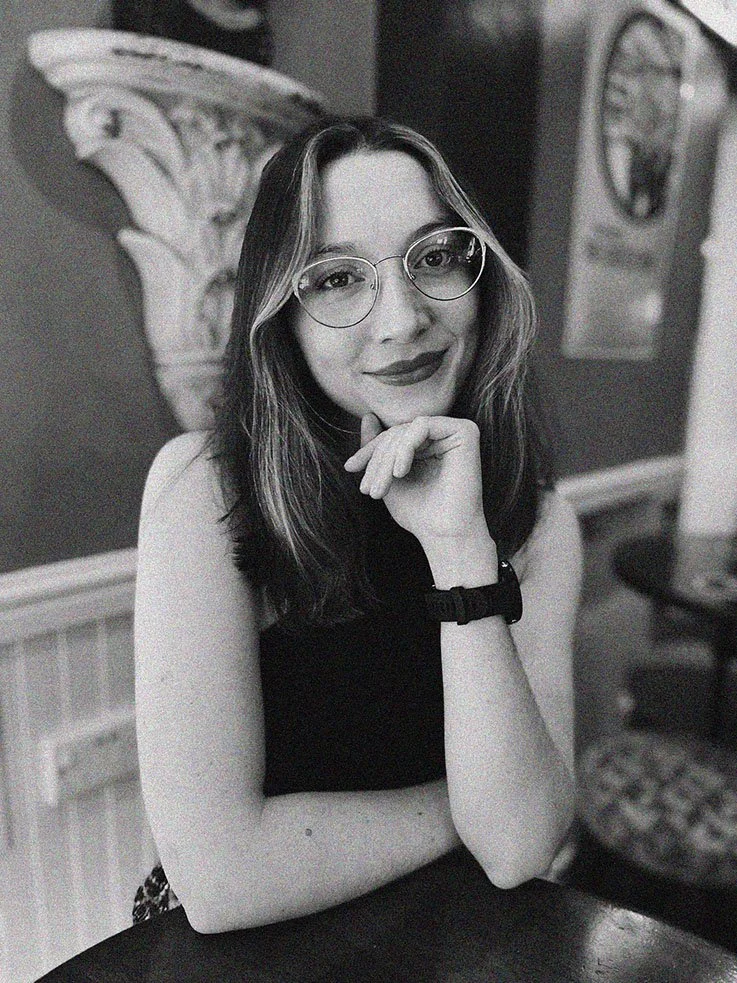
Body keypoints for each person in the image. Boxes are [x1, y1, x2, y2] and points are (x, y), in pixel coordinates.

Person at [133, 115, 581, 933]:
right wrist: (470, 811)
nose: (402, 318)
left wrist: (458, 550)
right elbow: (222, 879)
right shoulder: (204, 490)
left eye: (435, 256)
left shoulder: (540, 520)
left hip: (438, 944)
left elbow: (518, 848)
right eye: (336, 278)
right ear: (282, 318)